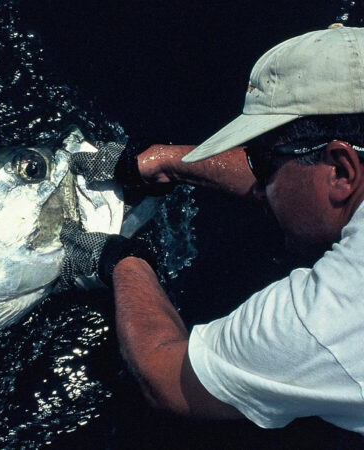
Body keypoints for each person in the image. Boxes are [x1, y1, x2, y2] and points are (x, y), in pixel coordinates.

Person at [60, 24, 364, 435]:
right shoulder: (343, 171)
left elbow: (169, 378)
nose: (259, 180)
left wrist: (123, 260)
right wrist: (164, 161)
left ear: (343, 171)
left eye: (262, 161)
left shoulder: (327, 318)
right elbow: (306, 177)